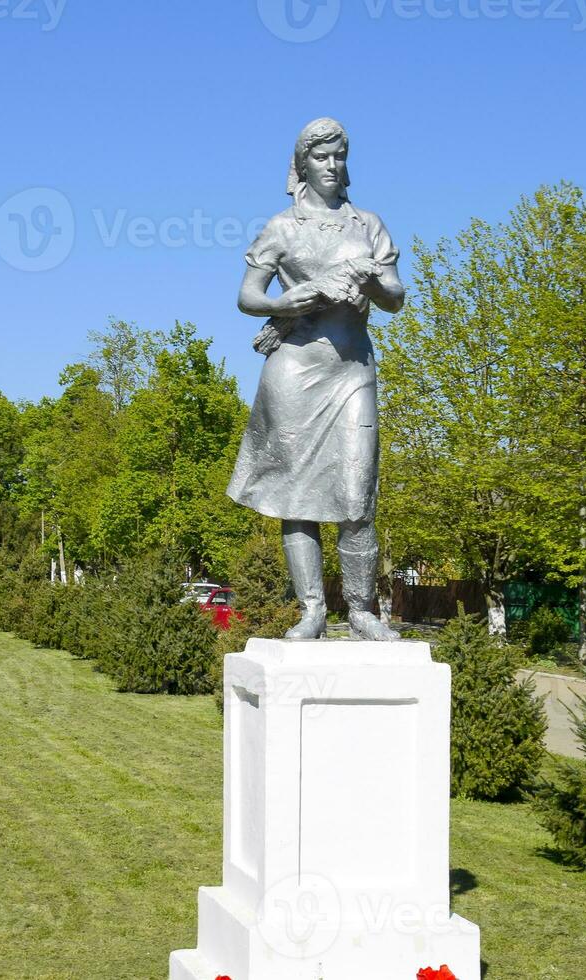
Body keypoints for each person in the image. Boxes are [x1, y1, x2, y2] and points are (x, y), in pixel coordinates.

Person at [226, 117, 403, 641]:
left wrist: (371, 278)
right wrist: (283, 301)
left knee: (357, 489)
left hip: (351, 369)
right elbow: (246, 296)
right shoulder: (281, 226)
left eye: (339, 157)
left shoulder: (367, 224)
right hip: (294, 370)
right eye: (321, 157)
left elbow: (396, 299)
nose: (331, 166)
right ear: (302, 164)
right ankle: (312, 611)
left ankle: (362, 610)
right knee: (296, 492)